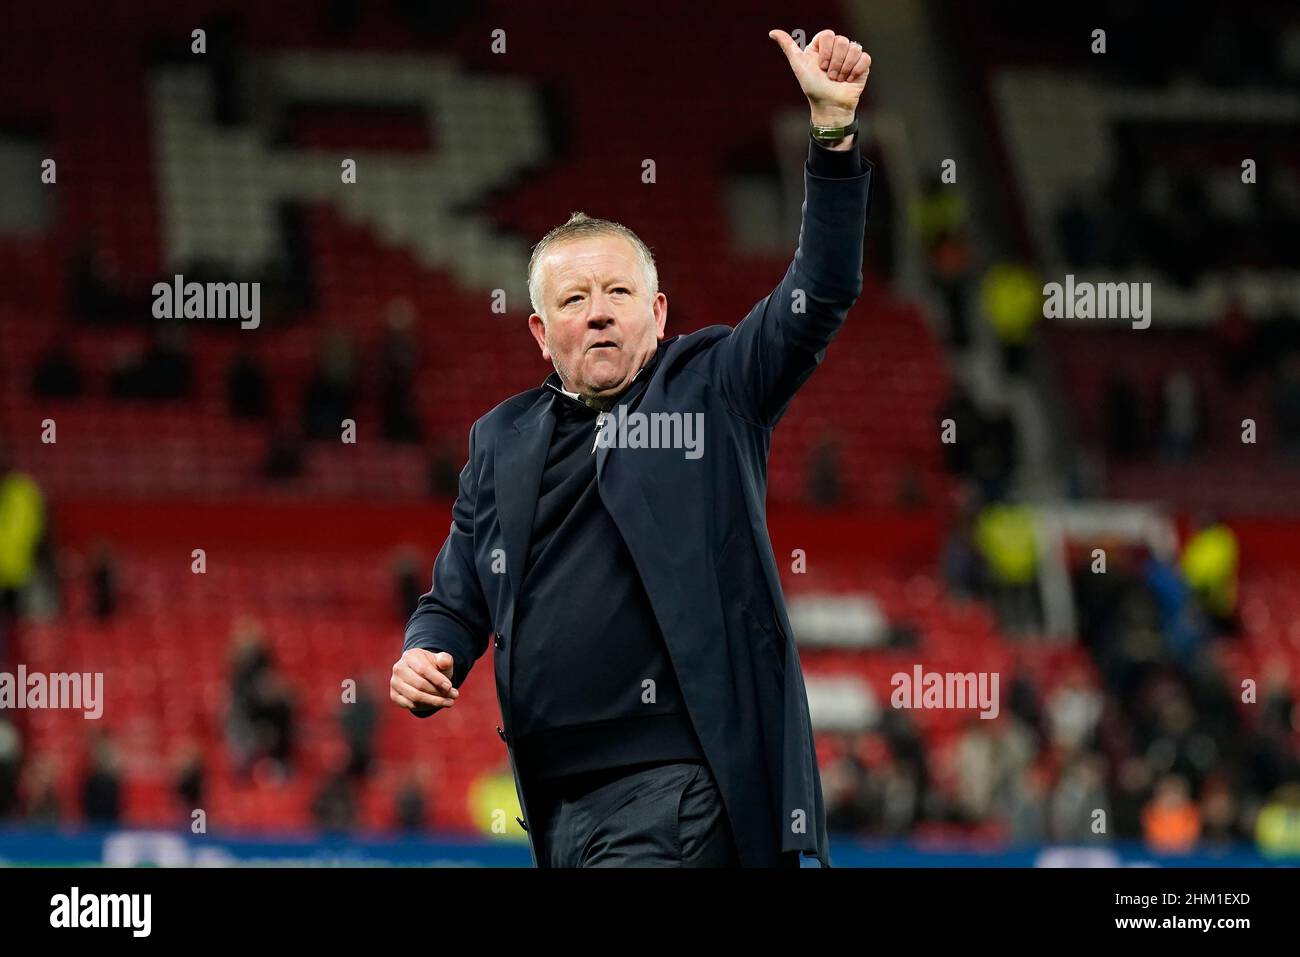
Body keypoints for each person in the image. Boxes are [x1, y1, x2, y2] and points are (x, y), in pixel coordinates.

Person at [390, 29, 875, 869]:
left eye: (620, 291)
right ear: (543, 332)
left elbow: (820, 288)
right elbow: (457, 596)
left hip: (682, 787)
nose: (601, 310)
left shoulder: (714, 388)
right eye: (576, 297)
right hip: (554, 805)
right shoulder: (500, 438)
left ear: (659, 313)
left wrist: (831, 136)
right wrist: (424, 651)